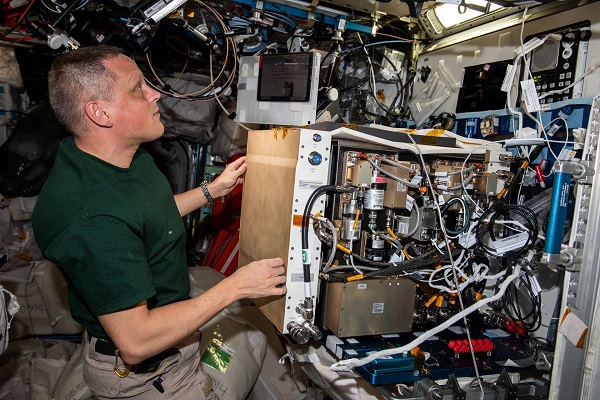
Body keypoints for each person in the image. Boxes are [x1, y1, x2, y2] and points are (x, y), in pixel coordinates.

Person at [31, 45, 287, 399]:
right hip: (147, 375)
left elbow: (146, 215)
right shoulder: (91, 218)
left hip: (171, 344)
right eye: (138, 88)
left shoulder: (115, 157)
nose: (155, 95)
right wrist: (236, 287)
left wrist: (212, 190)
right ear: (100, 112)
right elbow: (136, 342)